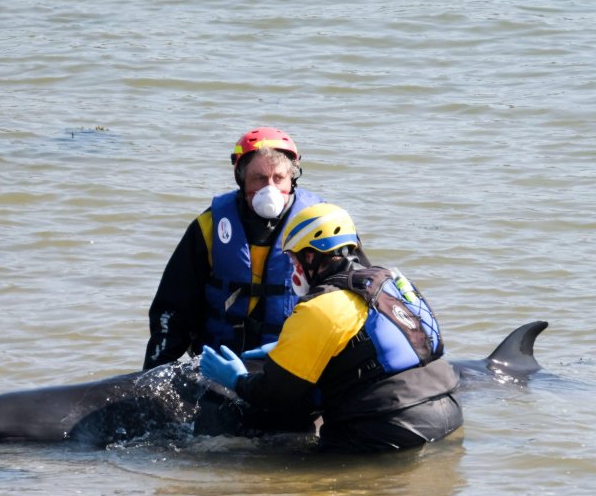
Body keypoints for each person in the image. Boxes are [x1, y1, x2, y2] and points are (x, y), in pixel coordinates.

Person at [198, 203, 461, 453]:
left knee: (276, 470)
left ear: (310, 256)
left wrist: (237, 380)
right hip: (449, 410)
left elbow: (275, 394)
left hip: (389, 429)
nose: (293, 269)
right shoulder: (392, 281)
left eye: (293, 259)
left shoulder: (320, 306)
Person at [144, 127, 365, 370]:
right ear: (241, 178)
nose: (269, 188)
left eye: (278, 178)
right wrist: (155, 372)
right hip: (219, 364)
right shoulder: (209, 227)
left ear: (292, 179)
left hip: (295, 364)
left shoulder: (326, 226)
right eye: (259, 178)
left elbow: (354, 300)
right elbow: (173, 310)